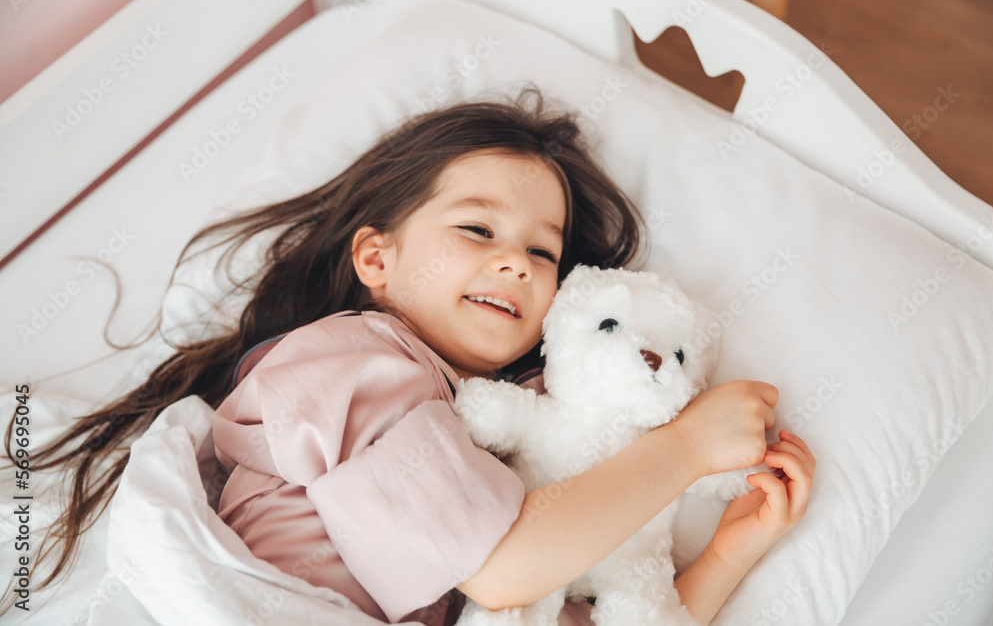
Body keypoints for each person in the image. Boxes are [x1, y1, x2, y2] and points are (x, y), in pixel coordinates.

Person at [12, 85, 814, 625]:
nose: (518, 264)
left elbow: (547, 597)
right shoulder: (359, 361)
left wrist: (728, 552)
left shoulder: (494, 432)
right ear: (376, 259)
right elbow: (505, 566)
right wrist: (683, 449)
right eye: (478, 229)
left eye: (544, 253)